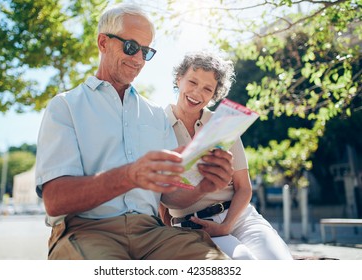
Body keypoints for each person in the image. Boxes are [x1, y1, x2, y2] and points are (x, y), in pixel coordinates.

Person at [35, 4, 233, 260]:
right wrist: (129, 175)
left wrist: (204, 186)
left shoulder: (155, 115)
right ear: (103, 42)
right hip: (85, 231)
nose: (138, 59)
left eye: (146, 51)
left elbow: (170, 195)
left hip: (152, 234)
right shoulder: (65, 107)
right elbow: (55, 201)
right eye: (131, 47)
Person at [160, 51, 294, 260]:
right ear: (179, 78)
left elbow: (244, 187)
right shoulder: (157, 125)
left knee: (280, 262)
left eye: (207, 89)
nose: (197, 92)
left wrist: (226, 226)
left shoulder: (225, 124)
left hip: (240, 218)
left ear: (215, 94)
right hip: (193, 225)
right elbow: (160, 197)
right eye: (192, 82)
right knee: (243, 262)